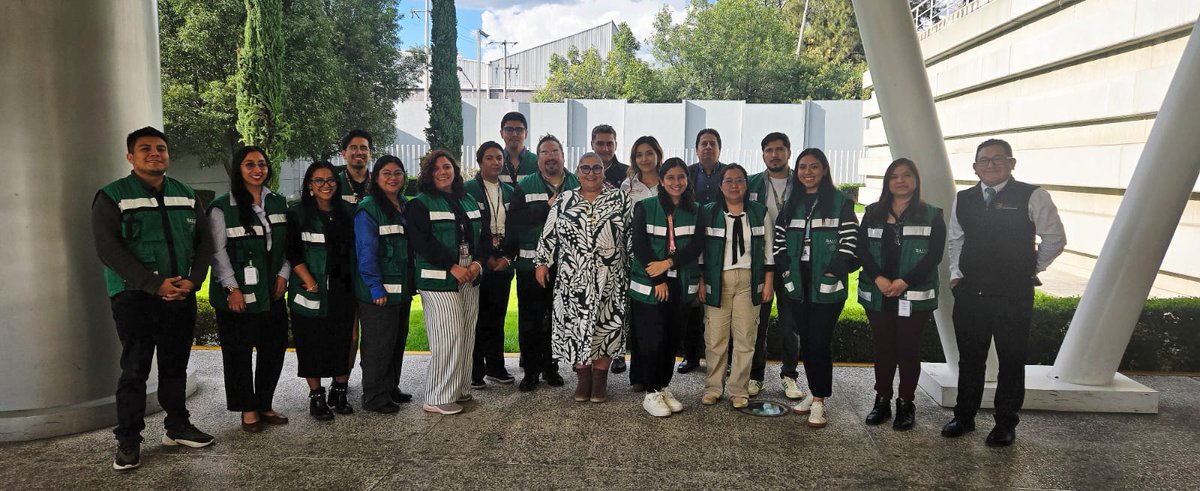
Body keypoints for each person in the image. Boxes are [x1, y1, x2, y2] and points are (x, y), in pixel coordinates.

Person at [93, 126, 216, 470]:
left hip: (180, 294)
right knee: (135, 369)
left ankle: (176, 426)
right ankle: (129, 440)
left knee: (175, 364)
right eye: (145, 148)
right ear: (130, 157)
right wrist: (152, 284)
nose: (155, 153)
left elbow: (203, 244)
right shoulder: (112, 196)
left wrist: (193, 281)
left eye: (160, 148)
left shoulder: (186, 193)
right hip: (134, 296)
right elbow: (109, 250)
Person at [942, 139, 1066, 447]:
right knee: (970, 358)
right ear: (974, 167)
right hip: (971, 292)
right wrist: (956, 275)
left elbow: (1055, 238)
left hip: (1013, 294)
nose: (991, 165)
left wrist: (1030, 268)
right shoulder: (965, 197)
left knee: (1012, 359)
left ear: (1012, 163)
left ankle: (1005, 423)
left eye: (998, 159)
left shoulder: (1032, 195)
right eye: (984, 160)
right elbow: (956, 240)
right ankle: (964, 416)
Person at [535, 152, 632, 403]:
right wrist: (542, 263)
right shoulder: (564, 199)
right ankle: (583, 378)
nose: (591, 173)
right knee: (575, 327)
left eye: (596, 168)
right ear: (577, 172)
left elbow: (631, 238)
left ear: (604, 171)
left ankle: (600, 380)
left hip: (610, 276)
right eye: (585, 168)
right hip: (572, 278)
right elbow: (549, 235)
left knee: (606, 327)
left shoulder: (620, 198)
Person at [858, 158, 945, 431]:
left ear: (915, 180)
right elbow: (862, 250)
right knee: (883, 348)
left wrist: (905, 281)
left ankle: (906, 403)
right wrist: (880, 279)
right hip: (879, 292)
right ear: (887, 182)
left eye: (906, 175)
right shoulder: (872, 212)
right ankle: (882, 399)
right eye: (894, 176)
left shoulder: (932, 214)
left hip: (913, 294)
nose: (900, 180)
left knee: (908, 350)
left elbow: (934, 256)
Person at [208, 145, 290, 433]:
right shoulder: (222, 207)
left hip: (273, 292)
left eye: (262, 164)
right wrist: (232, 288)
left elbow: (286, 245)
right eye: (250, 164)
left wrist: (284, 274)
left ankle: (265, 403)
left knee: (273, 349)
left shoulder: (277, 202)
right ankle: (248, 408)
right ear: (238, 169)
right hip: (237, 295)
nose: (258, 169)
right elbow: (217, 253)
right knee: (238, 353)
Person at [775, 148, 859, 428]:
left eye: (813, 167)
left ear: (824, 170)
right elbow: (779, 243)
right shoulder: (791, 203)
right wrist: (786, 270)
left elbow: (850, 242)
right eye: (802, 167)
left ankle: (820, 401)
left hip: (827, 281)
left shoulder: (840, 202)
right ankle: (814, 393)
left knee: (819, 342)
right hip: (799, 281)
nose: (807, 172)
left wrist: (834, 270)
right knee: (808, 343)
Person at [407, 150, 492, 415]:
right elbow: (421, 242)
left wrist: (477, 263)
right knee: (449, 336)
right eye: (436, 168)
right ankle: (436, 396)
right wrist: (451, 265)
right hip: (438, 279)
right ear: (428, 174)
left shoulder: (468, 200)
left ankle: (459, 389)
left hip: (470, 275)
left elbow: (485, 236)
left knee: (466, 334)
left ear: (455, 170)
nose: (442, 172)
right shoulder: (420, 204)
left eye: (447, 167)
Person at [629, 158, 705, 416]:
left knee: (673, 338)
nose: (676, 182)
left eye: (681, 177)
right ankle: (650, 392)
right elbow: (639, 245)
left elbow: (696, 246)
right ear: (661, 180)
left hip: (681, 282)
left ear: (687, 180)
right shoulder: (645, 206)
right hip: (650, 283)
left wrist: (669, 263)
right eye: (670, 177)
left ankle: (663, 386)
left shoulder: (696, 210)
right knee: (652, 339)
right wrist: (658, 278)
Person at [286, 160, 360, 421]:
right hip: (311, 287)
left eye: (330, 180)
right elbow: (292, 252)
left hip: (344, 287)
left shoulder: (348, 212)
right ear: (309, 185)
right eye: (319, 181)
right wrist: (310, 282)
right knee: (311, 341)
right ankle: (316, 396)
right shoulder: (298, 214)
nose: (325, 185)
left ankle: (339, 390)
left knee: (346, 339)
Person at [507, 134, 580, 391]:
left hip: (568, 267)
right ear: (538, 160)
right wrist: (546, 210)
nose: (550, 156)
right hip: (530, 266)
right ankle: (531, 372)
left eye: (554, 151)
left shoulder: (577, 182)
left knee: (558, 319)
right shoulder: (526, 185)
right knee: (530, 320)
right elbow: (514, 221)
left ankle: (551, 367)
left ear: (563, 155)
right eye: (544, 153)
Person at [697, 164, 772, 409]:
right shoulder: (708, 212)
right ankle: (713, 387)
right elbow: (701, 253)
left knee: (745, 339)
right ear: (720, 185)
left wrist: (768, 283)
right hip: (718, 281)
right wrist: (700, 281)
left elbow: (769, 252)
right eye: (728, 181)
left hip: (749, 282)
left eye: (739, 180)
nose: (734, 185)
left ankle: (739, 390)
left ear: (746, 184)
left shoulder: (759, 212)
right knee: (715, 338)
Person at [354, 155, 415, 414]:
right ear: (375, 178)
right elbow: (366, 251)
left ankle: (390, 387)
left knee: (396, 340)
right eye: (386, 173)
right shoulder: (368, 208)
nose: (393, 178)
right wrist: (375, 287)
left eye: (398, 173)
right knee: (378, 344)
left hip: (402, 287)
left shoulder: (405, 205)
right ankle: (374, 395)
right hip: (378, 292)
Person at [745, 132, 804, 400]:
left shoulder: (802, 184)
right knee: (758, 322)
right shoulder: (751, 184)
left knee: (790, 324)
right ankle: (755, 375)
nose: (774, 155)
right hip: (761, 263)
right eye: (769, 150)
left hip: (793, 264)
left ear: (789, 152)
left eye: (779, 149)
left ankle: (789, 376)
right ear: (763, 154)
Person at [464, 141, 517, 388]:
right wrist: (484, 258)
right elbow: (466, 230)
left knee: (496, 317)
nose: (495, 162)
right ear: (480, 161)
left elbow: (515, 227)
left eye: (498, 158)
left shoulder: (509, 191)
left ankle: (495, 367)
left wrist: (506, 257)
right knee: (476, 318)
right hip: (477, 263)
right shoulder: (468, 191)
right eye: (489, 158)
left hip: (502, 264)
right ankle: (475, 370)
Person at [678, 128, 728, 373]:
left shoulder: (729, 174)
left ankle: (719, 360)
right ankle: (691, 357)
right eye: (703, 144)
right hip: (692, 242)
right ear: (696, 149)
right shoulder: (686, 174)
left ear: (719, 148)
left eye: (712, 144)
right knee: (692, 305)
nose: (708, 148)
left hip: (722, 244)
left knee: (719, 303)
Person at [621, 135, 663, 204]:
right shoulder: (627, 185)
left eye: (649, 154)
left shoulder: (669, 182)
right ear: (634, 159)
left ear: (658, 156)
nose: (644, 159)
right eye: (639, 155)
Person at [499, 112, 539, 184]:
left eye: (519, 130)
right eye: (509, 130)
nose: (514, 134)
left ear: (526, 134)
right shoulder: (494, 163)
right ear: (501, 133)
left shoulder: (537, 162)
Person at [337, 129, 373, 204]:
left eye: (363, 148)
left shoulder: (379, 183)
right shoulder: (335, 182)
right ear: (344, 154)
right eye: (353, 148)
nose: (359, 152)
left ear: (370, 154)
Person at [591, 124, 628, 190]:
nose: (605, 149)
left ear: (615, 145)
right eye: (600, 144)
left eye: (609, 144)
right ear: (592, 145)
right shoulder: (583, 173)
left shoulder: (628, 174)